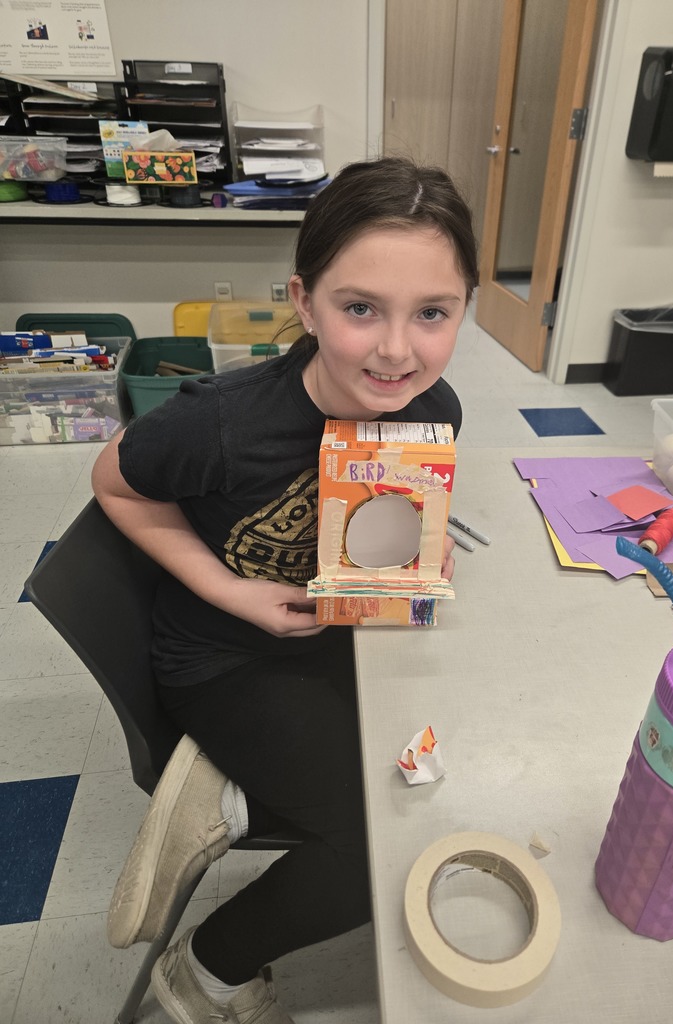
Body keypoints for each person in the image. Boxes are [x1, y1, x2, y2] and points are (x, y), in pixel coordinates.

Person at [91, 155, 479, 1024]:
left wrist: (427, 542)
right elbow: (113, 485)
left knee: (449, 757)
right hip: (224, 655)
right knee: (378, 851)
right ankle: (206, 970)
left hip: (344, 628)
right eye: (359, 309)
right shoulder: (221, 422)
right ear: (303, 303)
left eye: (432, 314)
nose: (394, 349)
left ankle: (231, 794)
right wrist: (231, 590)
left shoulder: (435, 409)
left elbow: (398, 506)